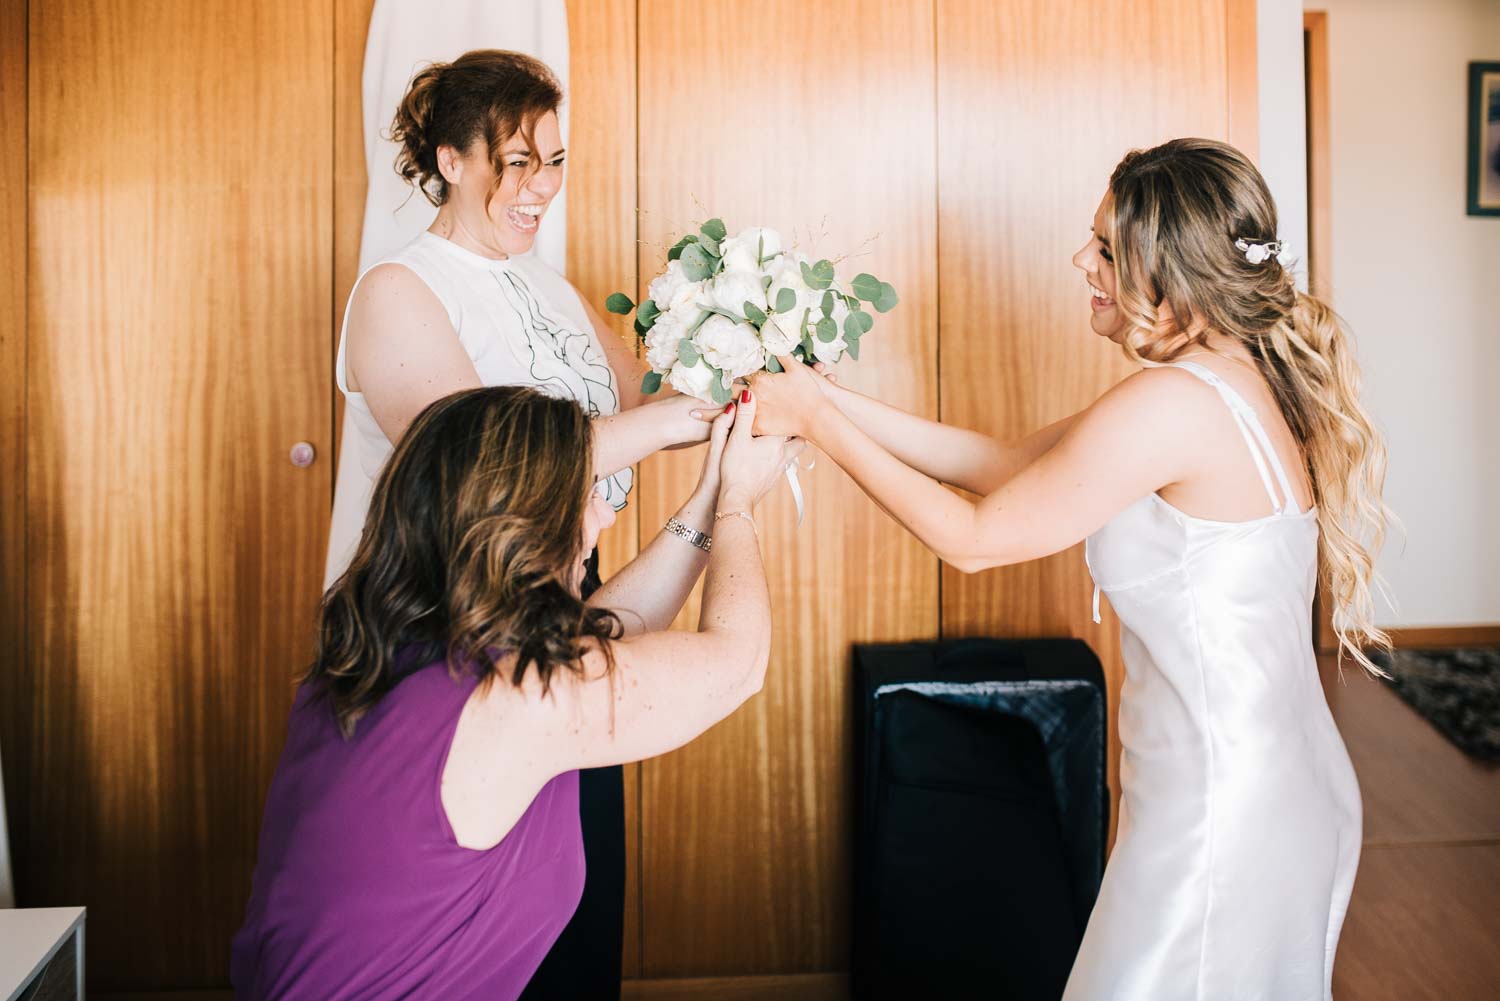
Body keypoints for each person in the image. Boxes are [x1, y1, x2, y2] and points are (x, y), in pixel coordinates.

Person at [751, 138, 1390, 1000]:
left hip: (1224, 807)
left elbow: (976, 536)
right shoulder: (1233, 379)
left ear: (1169, 271)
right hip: (1276, 780)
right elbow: (1002, 461)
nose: (1081, 260)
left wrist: (817, 428)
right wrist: (820, 400)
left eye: (1106, 247)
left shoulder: (1173, 403)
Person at [325, 50, 719, 995]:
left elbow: (649, 400)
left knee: (582, 902)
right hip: (445, 641)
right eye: (516, 161)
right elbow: (487, 473)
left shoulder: (553, 287)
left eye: (554, 159)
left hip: (561, 609)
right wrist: (669, 421)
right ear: (452, 159)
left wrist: (745, 352)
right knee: (491, 932)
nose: (540, 186)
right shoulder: (400, 290)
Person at [234, 385, 800, 999]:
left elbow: (604, 636)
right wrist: (739, 503)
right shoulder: (516, 696)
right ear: (534, 524)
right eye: (588, 495)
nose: (604, 516)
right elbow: (738, 663)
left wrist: (711, 493)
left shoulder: (393, 644)